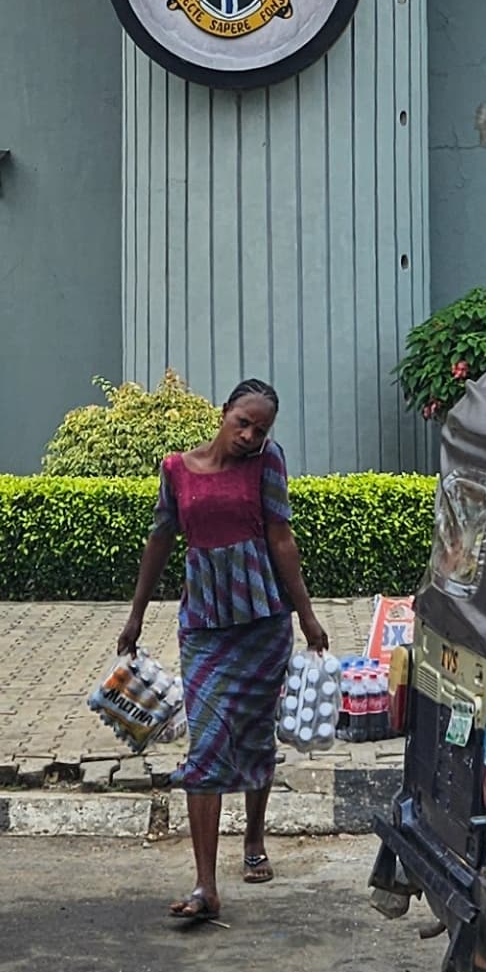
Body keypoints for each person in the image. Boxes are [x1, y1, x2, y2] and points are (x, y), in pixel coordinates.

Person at [116, 378, 325, 927]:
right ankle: (205, 885)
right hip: (205, 627)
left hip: (263, 624)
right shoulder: (176, 470)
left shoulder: (267, 463)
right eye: (243, 422)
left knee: (255, 736)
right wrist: (136, 614)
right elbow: (160, 539)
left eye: (261, 429)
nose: (250, 435)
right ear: (224, 412)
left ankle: (254, 837)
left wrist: (307, 616)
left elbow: (281, 537)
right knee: (206, 746)